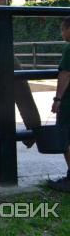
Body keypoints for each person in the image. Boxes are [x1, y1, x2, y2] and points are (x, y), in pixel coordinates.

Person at [48, 16, 70, 192]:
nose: (62, 33)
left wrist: (58, 99)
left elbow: (65, 74)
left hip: (69, 103)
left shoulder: (69, 49)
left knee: (65, 138)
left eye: (63, 29)